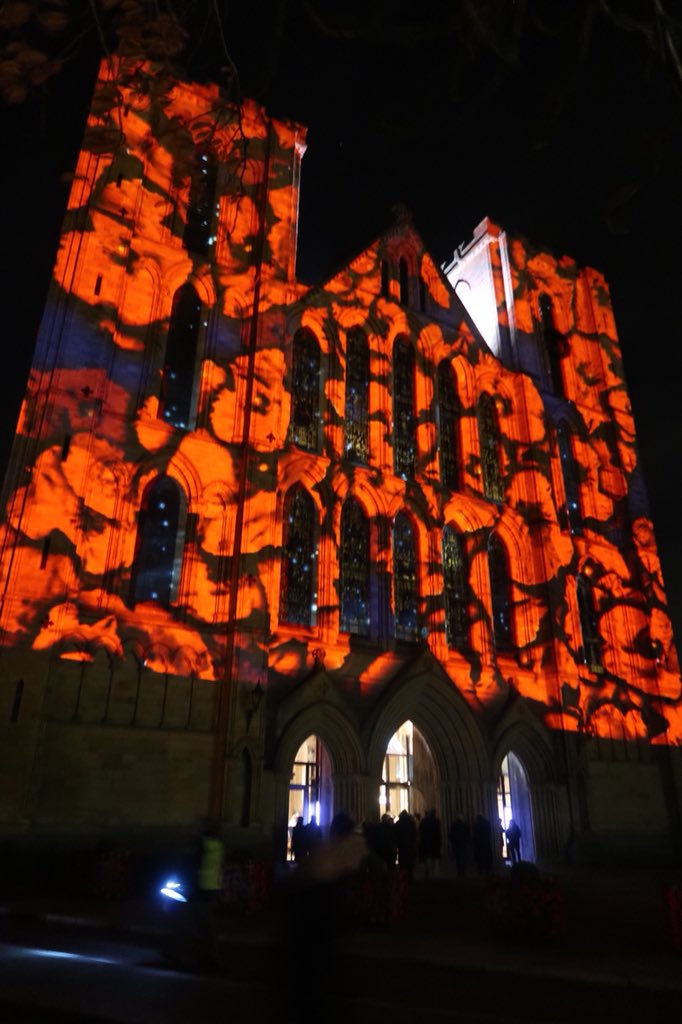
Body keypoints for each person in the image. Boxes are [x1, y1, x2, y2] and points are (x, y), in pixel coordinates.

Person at [418, 808, 442, 879]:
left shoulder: (423, 821)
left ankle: (427, 871)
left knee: (427, 857)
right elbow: (438, 833)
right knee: (435, 858)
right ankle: (436, 873)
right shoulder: (436, 821)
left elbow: (420, 831)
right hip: (435, 842)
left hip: (426, 842)